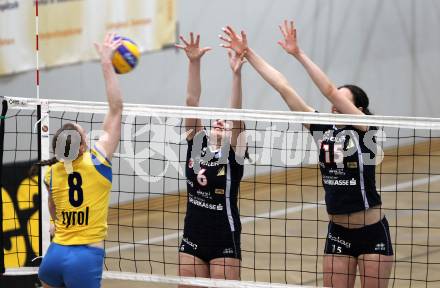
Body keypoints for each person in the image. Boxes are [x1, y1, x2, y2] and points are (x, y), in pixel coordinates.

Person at [220, 22, 393, 288]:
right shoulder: (322, 129)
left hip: (372, 231)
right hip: (338, 232)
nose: (334, 107)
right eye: (333, 106)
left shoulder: (365, 129)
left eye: (341, 103)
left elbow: (329, 90)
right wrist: (249, 53)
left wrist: (298, 54)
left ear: (356, 108)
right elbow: (283, 87)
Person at [37, 32, 124, 288]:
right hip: (85, 258)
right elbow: (116, 108)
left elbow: (52, 205)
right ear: (83, 145)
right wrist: (106, 63)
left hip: (55, 254)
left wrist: (54, 223)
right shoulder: (97, 161)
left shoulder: (51, 172)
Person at [175, 32, 247, 286]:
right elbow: (191, 102)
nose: (220, 120)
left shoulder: (234, 153)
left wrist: (236, 75)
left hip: (223, 238)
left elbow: (237, 115)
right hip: (192, 236)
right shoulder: (196, 144)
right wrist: (194, 63)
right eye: (217, 118)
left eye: (224, 122)